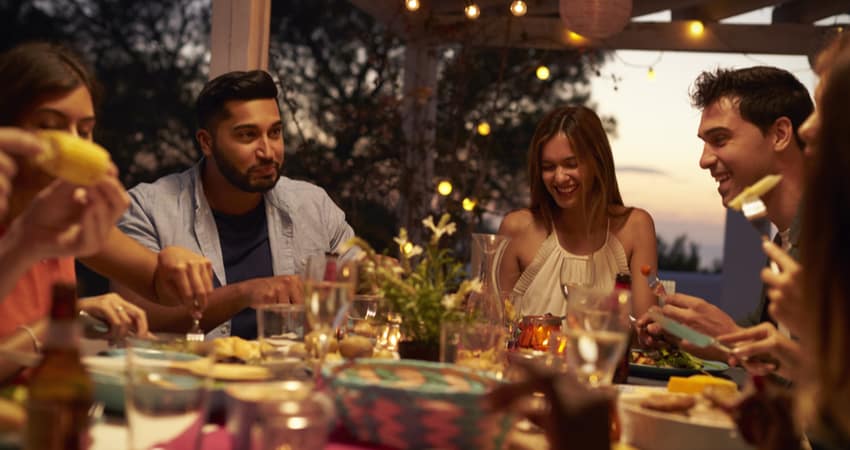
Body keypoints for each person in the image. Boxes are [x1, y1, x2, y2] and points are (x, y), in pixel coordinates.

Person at [0, 41, 214, 379]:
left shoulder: (66, 216)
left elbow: (160, 285)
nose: (76, 143)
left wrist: (172, 262)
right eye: (50, 125)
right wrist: (59, 323)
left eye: (84, 131)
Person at [117, 70, 355, 339]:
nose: (268, 151)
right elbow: (139, 314)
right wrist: (246, 293)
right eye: (247, 135)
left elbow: (358, 281)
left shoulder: (314, 205)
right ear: (207, 143)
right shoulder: (147, 209)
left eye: (275, 132)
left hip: (292, 377)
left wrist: (379, 273)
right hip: (191, 378)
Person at [636, 66, 813, 371]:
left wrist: (734, 341)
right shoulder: (785, 238)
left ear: (780, 135)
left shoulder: (833, 238)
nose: (703, 160)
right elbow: (766, 336)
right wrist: (685, 331)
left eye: (719, 139)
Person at [498, 105, 658, 318]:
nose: (559, 177)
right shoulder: (517, 229)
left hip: (609, 352)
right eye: (548, 167)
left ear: (597, 162)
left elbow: (646, 335)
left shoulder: (636, 227)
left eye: (571, 164)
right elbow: (493, 326)